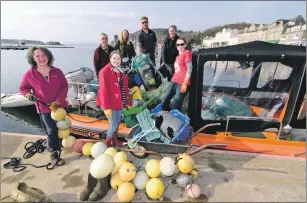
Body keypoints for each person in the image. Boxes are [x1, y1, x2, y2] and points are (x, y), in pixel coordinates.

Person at [19, 47, 68, 166]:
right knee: (51, 131)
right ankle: (55, 152)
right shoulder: (29, 74)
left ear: (48, 56)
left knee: (62, 128)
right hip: (44, 109)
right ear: (33, 58)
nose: (42, 58)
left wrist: (57, 101)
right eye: (38, 56)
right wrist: (28, 95)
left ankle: (56, 143)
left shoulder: (57, 71)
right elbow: (23, 88)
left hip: (60, 107)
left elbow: (64, 86)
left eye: (44, 55)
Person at [96, 50, 132, 147]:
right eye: (114, 58)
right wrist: (106, 107)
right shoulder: (104, 72)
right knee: (113, 124)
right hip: (108, 103)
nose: (116, 61)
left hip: (118, 102)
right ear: (110, 59)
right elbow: (103, 90)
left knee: (117, 122)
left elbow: (123, 88)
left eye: (118, 59)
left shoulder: (120, 72)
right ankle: (107, 142)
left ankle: (115, 140)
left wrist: (127, 102)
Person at [161, 38, 193, 111]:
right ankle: (164, 115)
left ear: (185, 45)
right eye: (178, 45)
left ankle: (175, 118)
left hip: (182, 82)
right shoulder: (177, 57)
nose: (180, 46)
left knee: (176, 102)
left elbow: (190, 69)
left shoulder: (187, 52)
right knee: (165, 98)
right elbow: (177, 70)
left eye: (182, 44)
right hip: (174, 80)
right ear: (176, 46)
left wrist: (185, 83)